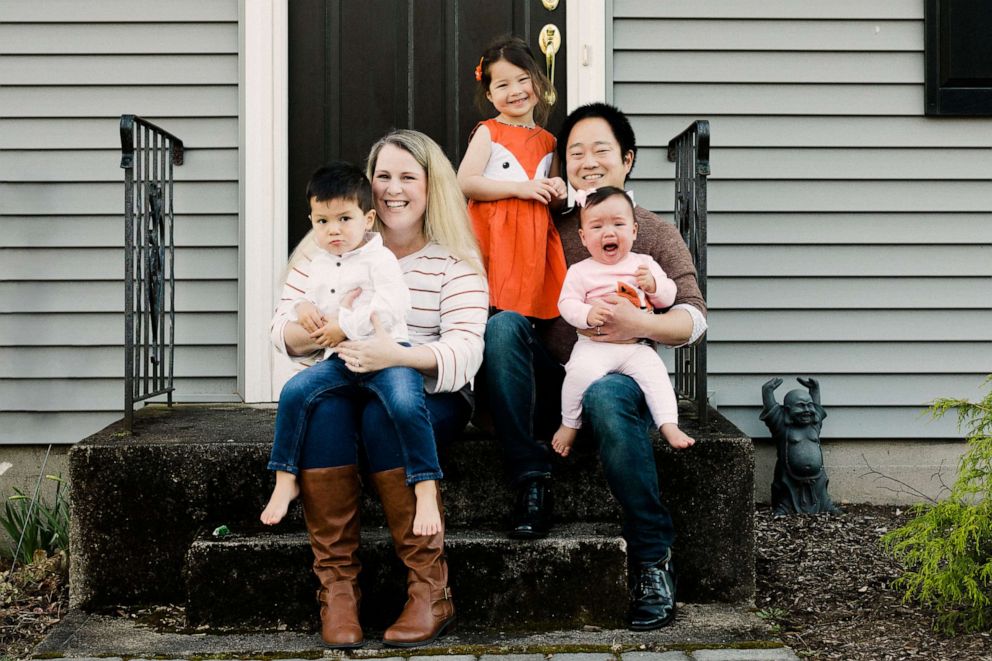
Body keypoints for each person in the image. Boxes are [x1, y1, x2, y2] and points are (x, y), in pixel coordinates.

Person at [482, 102, 707, 630]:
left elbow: (694, 318)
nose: (587, 160)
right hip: (551, 380)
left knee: (607, 393)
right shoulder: (545, 221)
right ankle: (531, 478)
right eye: (575, 151)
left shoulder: (649, 232)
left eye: (601, 149)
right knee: (501, 326)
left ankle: (652, 557)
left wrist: (642, 323)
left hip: (617, 376)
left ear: (626, 160)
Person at [269, 130, 488, 648]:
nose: (393, 189)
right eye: (382, 177)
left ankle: (430, 590)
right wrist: (315, 327)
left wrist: (397, 355)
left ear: (432, 188)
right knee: (324, 412)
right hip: (345, 381)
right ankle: (338, 590)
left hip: (426, 392)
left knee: (380, 416)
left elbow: (465, 352)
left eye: (408, 177)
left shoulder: (455, 264)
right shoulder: (329, 251)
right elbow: (283, 331)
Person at [261, 161, 444, 539]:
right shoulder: (318, 263)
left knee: (407, 405)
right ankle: (284, 476)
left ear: (369, 218)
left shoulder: (380, 259)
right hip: (343, 360)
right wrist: (303, 309)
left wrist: (347, 324)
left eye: (344, 219)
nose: (333, 231)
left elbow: (395, 304)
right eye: (322, 222)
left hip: (388, 355)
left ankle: (425, 486)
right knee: (295, 392)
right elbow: (304, 300)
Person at [551, 186, 695, 458]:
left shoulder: (645, 264)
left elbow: (669, 296)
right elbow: (566, 304)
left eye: (619, 224)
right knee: (578, 374)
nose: (609, 232)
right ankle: (569, 423)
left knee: (656, 375)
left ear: (634, 231)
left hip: (636, 346)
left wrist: (653, 286)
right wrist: (586, 315)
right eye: (597, 227)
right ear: (583, 237)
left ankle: (669, 424)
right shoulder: (580, 272)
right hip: (594, 346)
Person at [457, 35, 567, 319]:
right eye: (503, 85)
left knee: (526, 305)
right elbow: (466, 182)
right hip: (494, 233)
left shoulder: (550, 141)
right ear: (490, 95)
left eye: (522, 80)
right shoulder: (489, 132)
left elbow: (551, 201)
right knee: (487, 302)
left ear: (538, 82)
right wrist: (519, 188)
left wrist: (557, 189)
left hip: (532, 241)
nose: (515, 90)